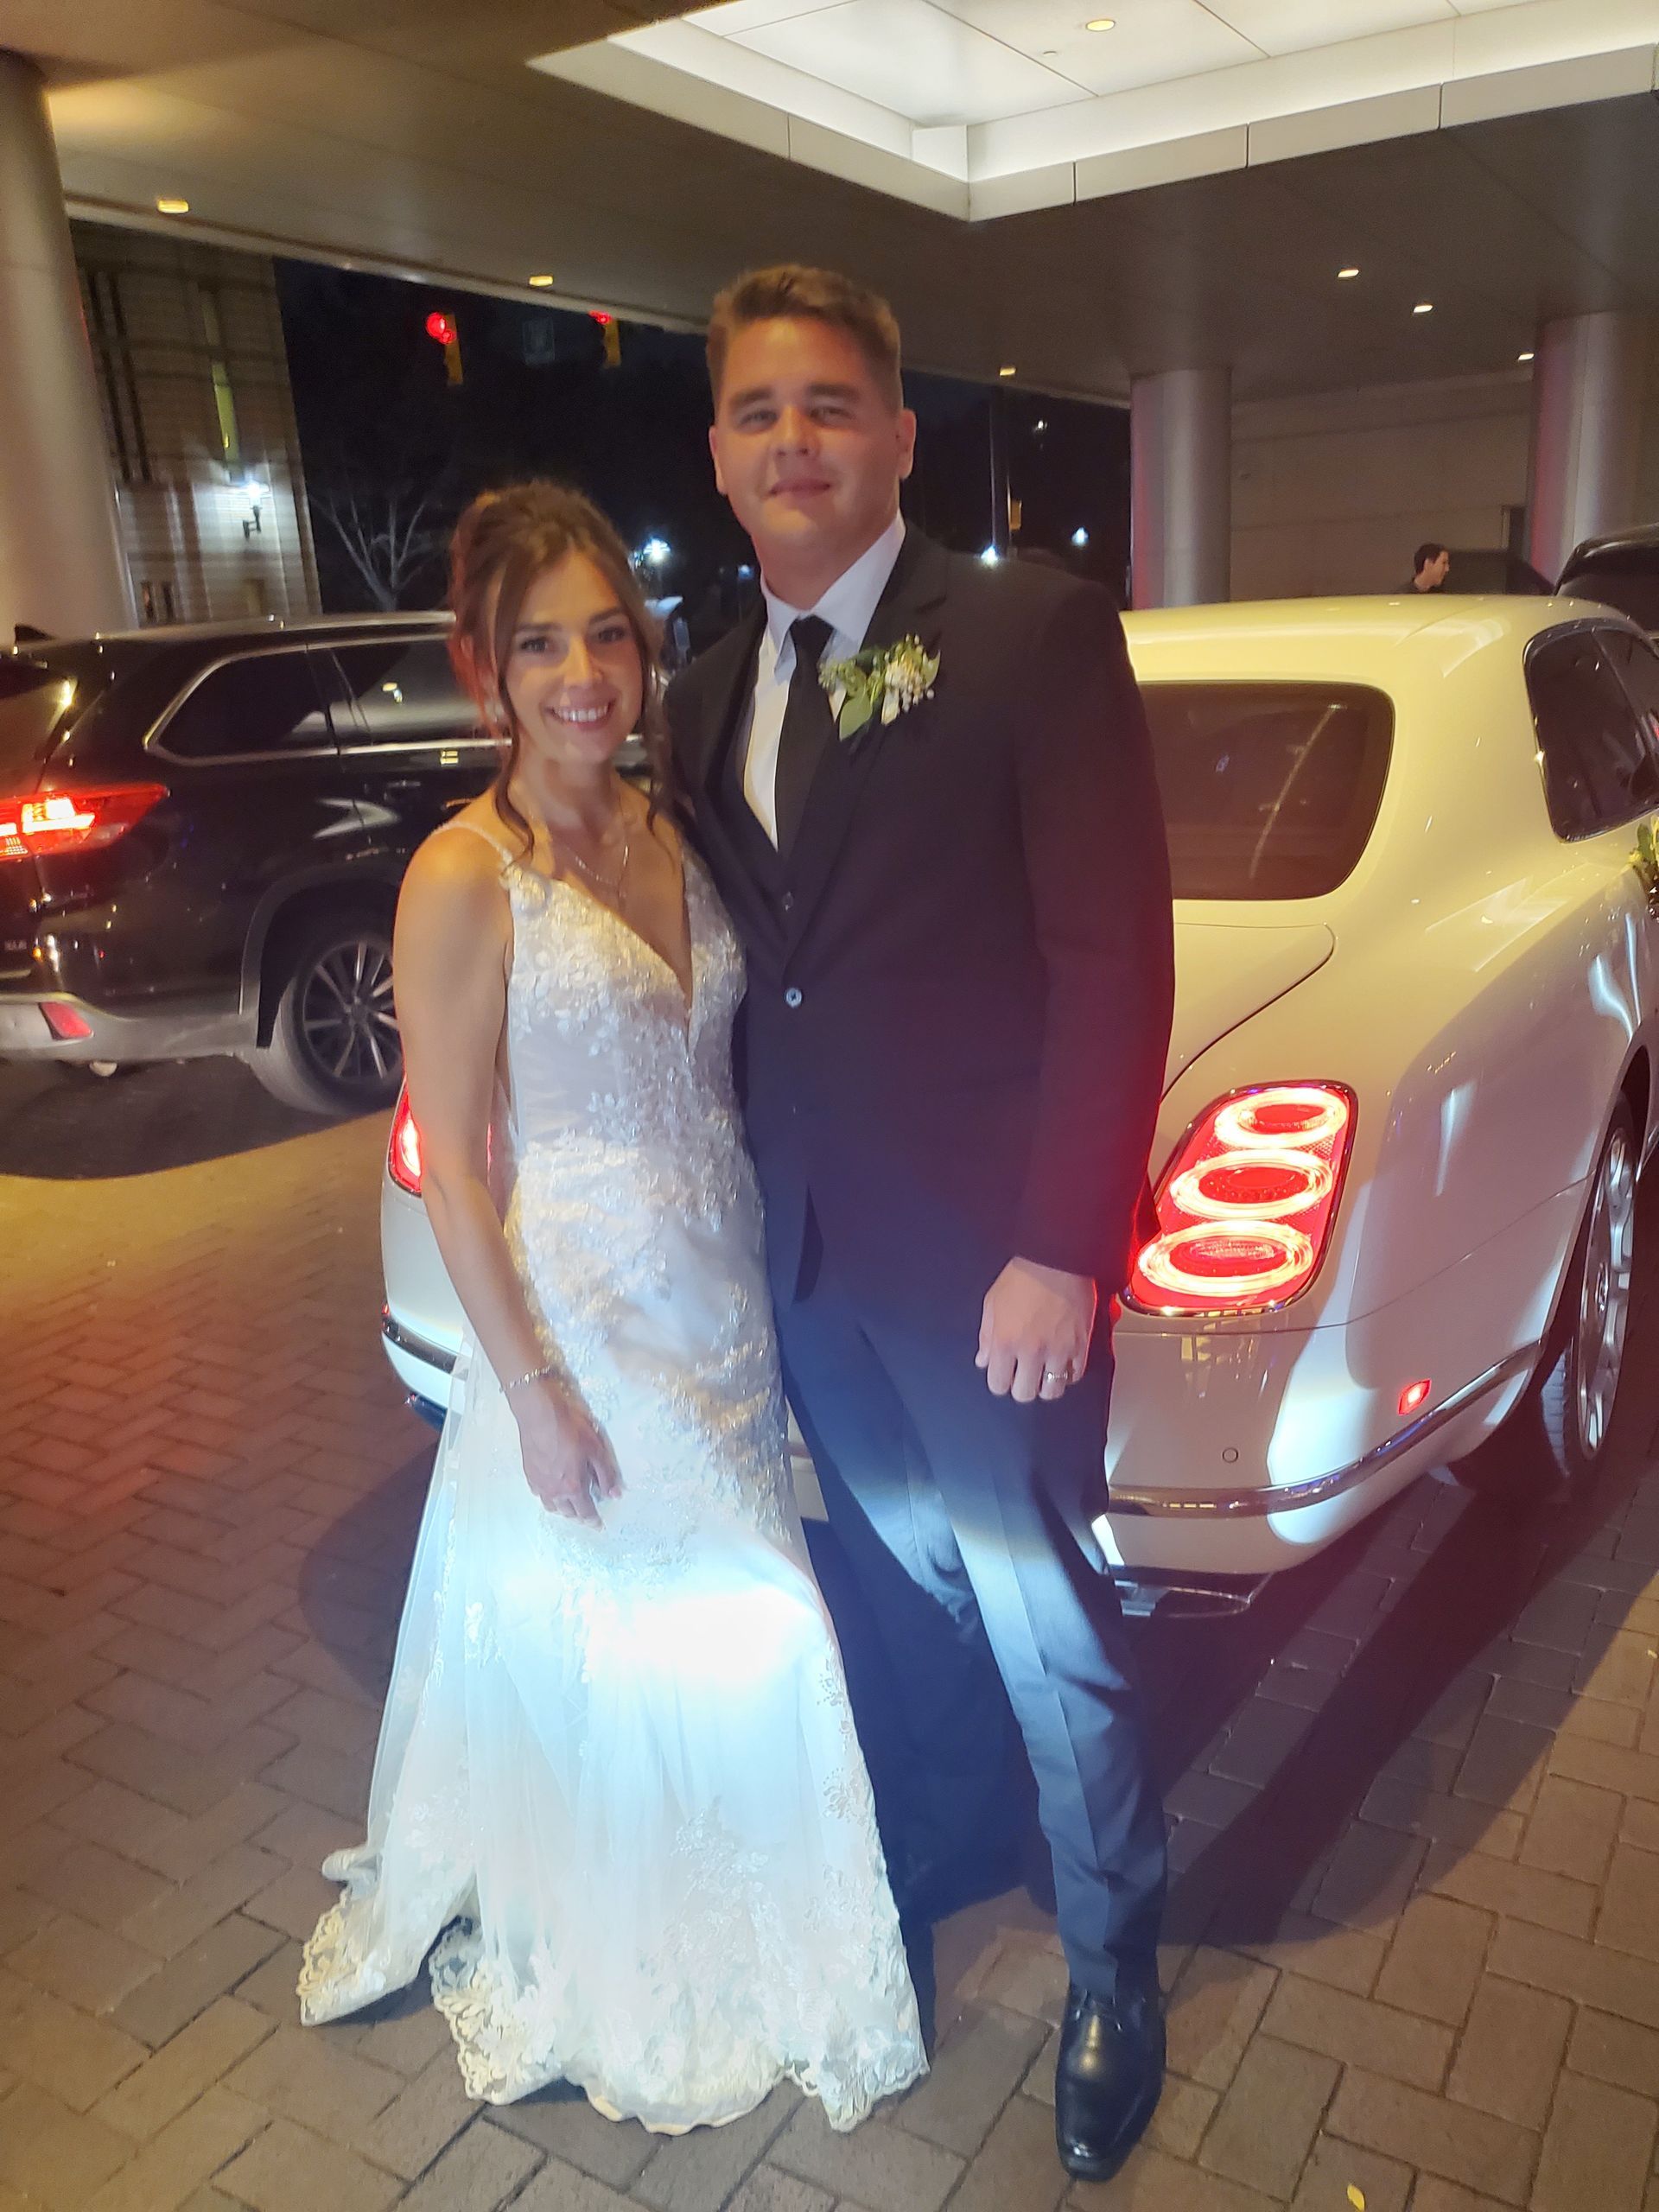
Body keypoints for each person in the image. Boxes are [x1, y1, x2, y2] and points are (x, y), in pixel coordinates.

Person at [296, 481, 925, 2133]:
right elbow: (456, 1169)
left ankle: (760, 1892)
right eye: (539, 647)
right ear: (482, 668)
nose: (583, 676)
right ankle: (641, 1936)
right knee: (658, 1628)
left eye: (606, 639)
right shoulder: (463, 875)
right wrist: (534, 1394)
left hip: (725, 1296)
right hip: (587, 1315)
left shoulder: (675, 826)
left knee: (738, 1617)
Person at [667, 265, 1175, 2184]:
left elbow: (1114, 957)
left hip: (991, 1268)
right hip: (810, 1262)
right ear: (719, 458)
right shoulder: (702, 693)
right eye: (756, 411)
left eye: (827, 404)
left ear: (894, 434)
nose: (792, 438)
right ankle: (960, 1835)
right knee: (900, 1591)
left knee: (1048, 1618)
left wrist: (1065, 1241)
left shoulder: (1029, 632)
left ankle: (1115, 1964)